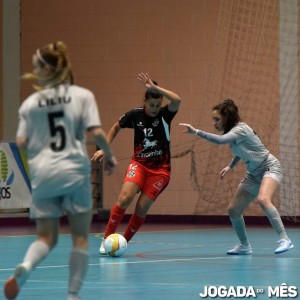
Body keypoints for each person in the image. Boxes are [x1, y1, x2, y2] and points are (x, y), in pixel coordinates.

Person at [4, 41, 117, 300]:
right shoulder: (82, 96)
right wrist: (108, 157)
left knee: (45, 238)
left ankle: (26, 266)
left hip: (44, 174)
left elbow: (21, 142)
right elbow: (97, 133)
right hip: (74, 172)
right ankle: (72, 294)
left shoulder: (30, 103)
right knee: (80, 238)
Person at [179, 99, 294, 255]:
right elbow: (243, 151)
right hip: (253, 173)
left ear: (227, 118)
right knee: (233, 210)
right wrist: (230, 166)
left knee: (263, 199)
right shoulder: (233, 132)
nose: (214, 123)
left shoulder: (240, 129)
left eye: (217, 119)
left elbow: (219, 141)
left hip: (269, 167)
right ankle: (244, 246)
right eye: (213, 119)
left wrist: (196, 132)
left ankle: (285, 239)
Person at [92, 72, 181, 254]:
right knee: (124, 198)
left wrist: (155, 88)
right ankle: (106, 239)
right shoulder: (135, 115)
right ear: (145, 101)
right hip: (139, 165)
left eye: (158, 105)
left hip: (160, 172)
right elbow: (116, 126)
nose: (155, 108)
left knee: (141, 208)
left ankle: (124, 241)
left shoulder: (165, 116)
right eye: (152, 104)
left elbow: (177, 100)